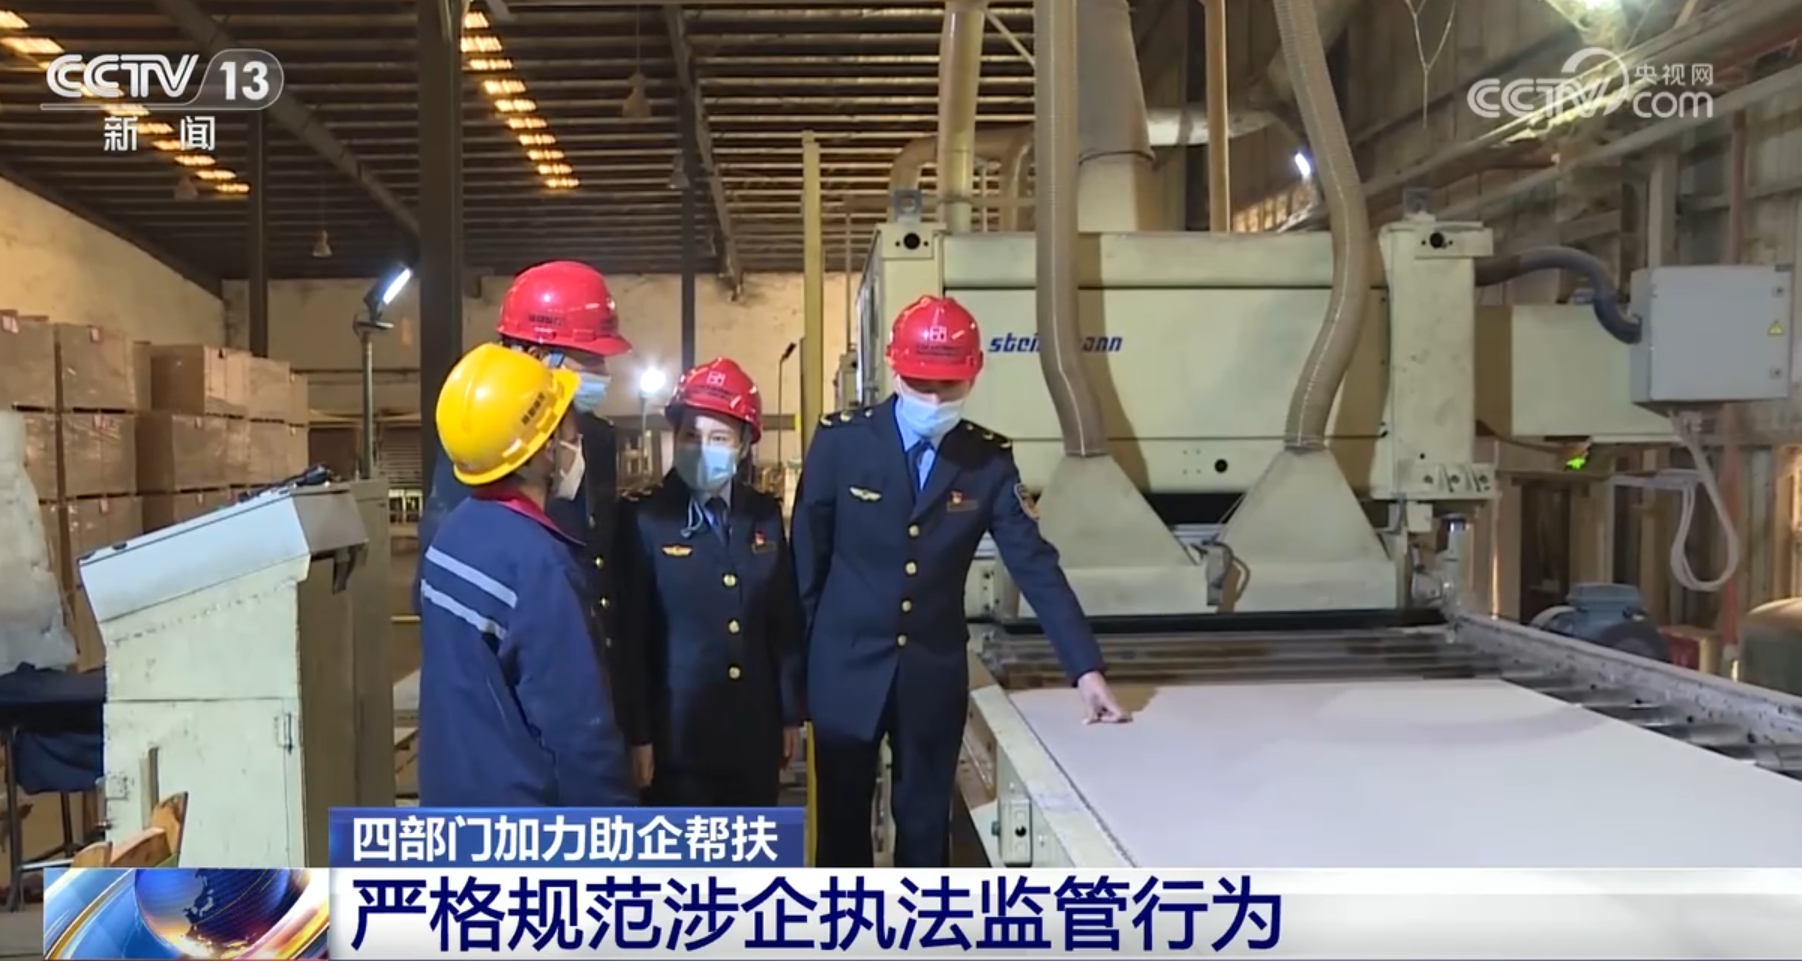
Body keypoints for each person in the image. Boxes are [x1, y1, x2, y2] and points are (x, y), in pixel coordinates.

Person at [793, 294, 1131, 868]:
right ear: (895, 370)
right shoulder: (841, 443)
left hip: (931, 673)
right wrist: (796, 677)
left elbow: (1034, 563)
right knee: (842, 826)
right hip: (843, 668)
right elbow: (806, 563)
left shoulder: (987, 461)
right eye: (920, 384)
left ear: (972, 376)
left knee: (926, 826)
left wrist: (1085, 668)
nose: (932, 400)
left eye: (947, 387)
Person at [413, 260, 639, 733]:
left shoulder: (598, 439)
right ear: (538, 356)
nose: (602, 374)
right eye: (589, 359)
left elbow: (600, 561)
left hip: (582, 672)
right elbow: (456, 596)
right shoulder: (483, 442)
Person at [613, 358, 803, 804]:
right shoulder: (643, 517)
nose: (703, 449)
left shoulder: (763, 514)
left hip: (754, 733)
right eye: (691, 436)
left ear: (744, 445)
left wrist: (789, 714)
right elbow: (630, 638)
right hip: (677, 738)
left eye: (720, 438)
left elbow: (782, 623)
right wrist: (638, 734)